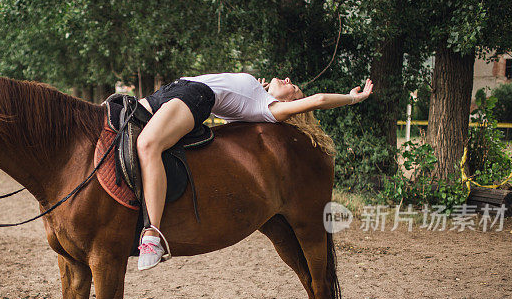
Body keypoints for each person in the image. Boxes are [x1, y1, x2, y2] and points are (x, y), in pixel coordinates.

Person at [135, 72, 373, 270]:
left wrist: (354, 98)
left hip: (192, 95)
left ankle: (152, 235)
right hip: (174, 89)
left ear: (291, 104)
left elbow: (320, 99)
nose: (289, 79)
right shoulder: (254, 102)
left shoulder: (271, 109)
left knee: (148, 144)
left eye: (295, 87)